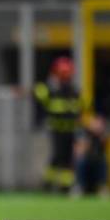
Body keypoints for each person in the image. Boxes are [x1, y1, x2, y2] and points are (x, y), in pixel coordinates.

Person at [33, 57, 82, 191]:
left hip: (70, 130)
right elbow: (39, 94)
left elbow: (79, 109)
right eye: (62, 74)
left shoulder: (73, 91)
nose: (65, 77)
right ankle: (48, 184)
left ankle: (65, 186)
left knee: (68, 159)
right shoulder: (50, 89)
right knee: (57, 157)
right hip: (56, 129)